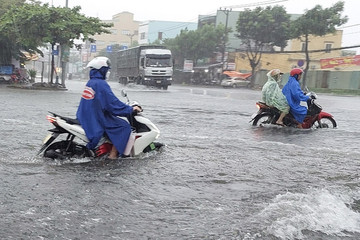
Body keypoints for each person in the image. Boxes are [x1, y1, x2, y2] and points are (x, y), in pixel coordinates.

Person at [76, 57, 141, 159]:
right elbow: (112, 104)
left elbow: (105, 102)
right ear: (102, 70)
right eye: (106, 70)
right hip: (97, 117)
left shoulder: (91, 82)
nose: (107, 72)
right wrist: (130, 109)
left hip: (86, 115)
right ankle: (113, 155)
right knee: (124, 126)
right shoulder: (101, 84)